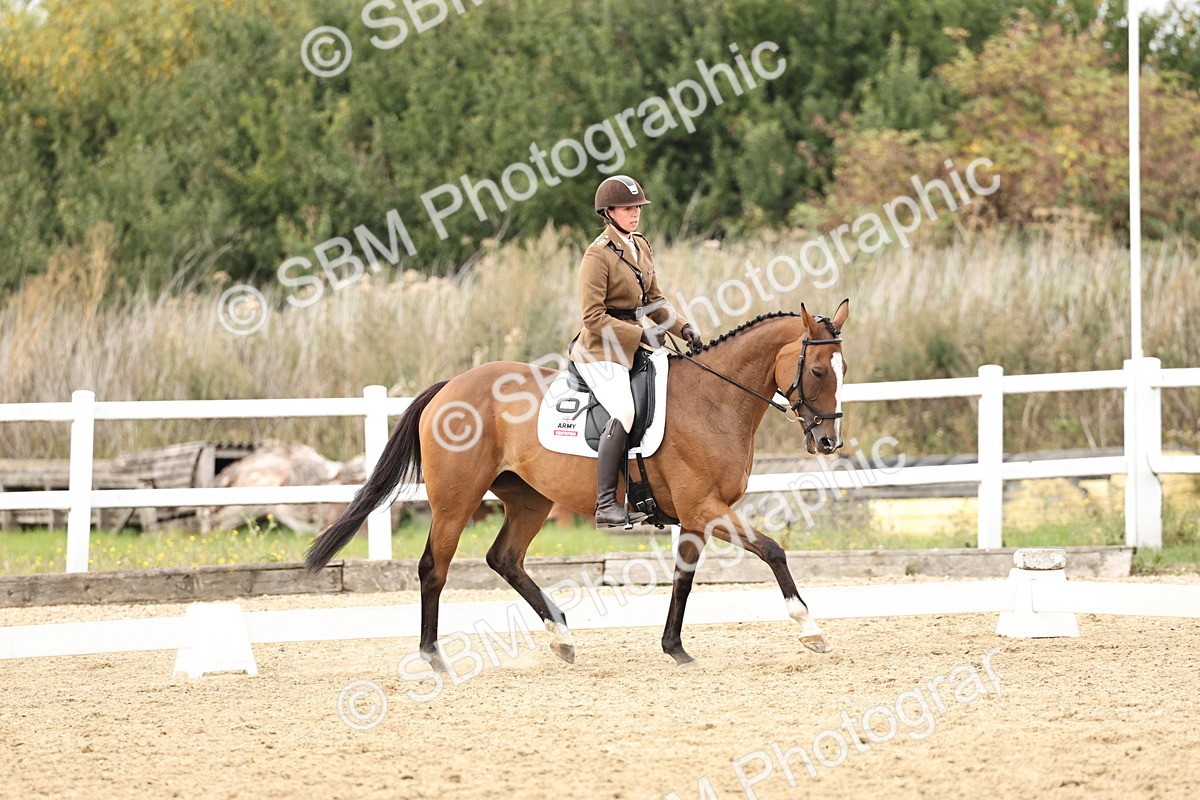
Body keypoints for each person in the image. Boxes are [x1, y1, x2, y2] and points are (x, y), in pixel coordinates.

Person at [569, 175, 703, 527]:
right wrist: (641, 337)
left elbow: (654, 301)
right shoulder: (597, 255)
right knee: (625, 411)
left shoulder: (640, 245)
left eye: (637, 208)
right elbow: (592, 316)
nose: (635, 214)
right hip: (600, 349)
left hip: (632, 342)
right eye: (628, 209)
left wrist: (683, 327)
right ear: (608, 212)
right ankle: (605, 505)